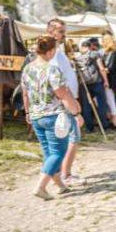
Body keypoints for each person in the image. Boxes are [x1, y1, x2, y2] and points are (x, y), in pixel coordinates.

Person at [21, 35, 84, 200]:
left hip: (36, 117)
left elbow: (25, 94)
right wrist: (76, 114)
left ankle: (60, 186)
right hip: (54, 117)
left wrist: (27, 113)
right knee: (58, 153)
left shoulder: (27, 69)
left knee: (49, 153)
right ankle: (40, 187)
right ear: (49, 51)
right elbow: (62, 94)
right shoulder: (52, 69)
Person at [47, 18, 83, 185]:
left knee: (68, 137)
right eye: (60, 31)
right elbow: (58, 81)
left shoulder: (57, 50)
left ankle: (61, 173)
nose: (63, 34)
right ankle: (65, 174)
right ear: (51, 31)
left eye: (64, 31)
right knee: (73, 136)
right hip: (63, 101)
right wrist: (71, 102)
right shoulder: (52, 52)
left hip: (67, 99)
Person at [75, 38, 112, 134]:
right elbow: (101, 68)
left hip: (84, 84)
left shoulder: (77, 57)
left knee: (86, 105)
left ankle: (89, 127)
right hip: (97, 82)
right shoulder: (95, 54)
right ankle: (104, 125)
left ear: (82, 47)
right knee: (101, 104)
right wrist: (106, 81)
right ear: (90, 46)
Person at [100, 34, 116, 129]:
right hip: (106, 80)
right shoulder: (105, 53)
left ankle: (114, 122)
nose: (102, 42)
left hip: (110, 81)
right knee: (109, 101)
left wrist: (102, 70)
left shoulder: (114, 52)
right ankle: (112, 120)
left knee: (111, 101)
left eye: (103, 40)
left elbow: (111, 67)